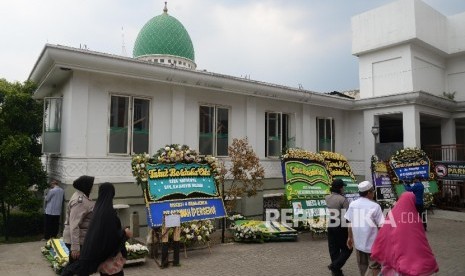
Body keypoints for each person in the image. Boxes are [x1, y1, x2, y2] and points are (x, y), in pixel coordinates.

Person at [62, 182, 132, 276]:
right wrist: (125, 233)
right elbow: (111, 237)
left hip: (102, 260)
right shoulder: (109, 213)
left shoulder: (97, 210)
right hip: (110, 260)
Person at [371, 192, 438, 276]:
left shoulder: (391, 215)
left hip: (393, 261)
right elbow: (421, 240)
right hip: (412, 262)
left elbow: (383, 235)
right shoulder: (415, 218)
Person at [344, 181, 384, 276]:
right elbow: (381, 226)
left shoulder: (353, 204)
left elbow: (350, 223)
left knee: (363, 268)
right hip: (373, 245)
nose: (373, 193)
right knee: (374, 268)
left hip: (359, 244)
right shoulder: (375, 206)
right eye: (373, 191)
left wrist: (350, 238)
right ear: (369, 193)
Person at [62, 175, 95, 265]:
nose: (92, 187)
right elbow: (74, 225)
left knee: (75, 267)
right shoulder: (80, 201)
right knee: (79, 268)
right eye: (91, 185)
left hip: (81, 239)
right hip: (77, 241)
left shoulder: (80, 195)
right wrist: (75, 247)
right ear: (86, 186)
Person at [325, 178, 352, 276]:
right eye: (343, 187)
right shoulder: (343, 199)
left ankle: (336, 272)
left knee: (334, 248)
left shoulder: (327, 197)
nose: (343, 189)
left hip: (331, 223)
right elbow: (347, 215)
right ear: (340, 188)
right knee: (347, 249)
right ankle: (335, 266)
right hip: (341, 225)